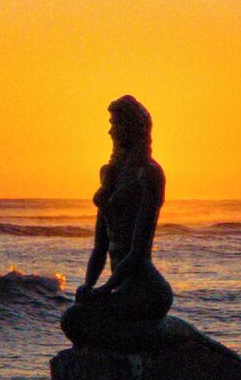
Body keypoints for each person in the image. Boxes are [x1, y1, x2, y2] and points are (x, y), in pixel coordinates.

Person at [63, 95, 173, 349]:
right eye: (111, 122)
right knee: (75, 317)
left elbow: (138, 251)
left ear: (133, 127)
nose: (111, 130)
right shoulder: (109, 173)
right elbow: (100, 247)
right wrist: (88, 285)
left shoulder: (149, 173)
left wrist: (105, 289)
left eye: (117, 123)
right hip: (118, 286)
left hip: (145, 288)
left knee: (78, 321)